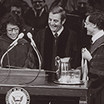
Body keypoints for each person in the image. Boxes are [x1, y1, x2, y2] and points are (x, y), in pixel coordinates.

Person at [35, 5, 80, 82]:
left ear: (63, 21)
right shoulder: (41, 35)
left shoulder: (72, 36)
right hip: (43, 81)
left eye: (55, 21)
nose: (51, 23)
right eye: (50, 20)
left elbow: (76, 60)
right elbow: (34, 59)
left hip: (65, 81)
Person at [82, 11, 104, 104]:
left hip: (101, 92)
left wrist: (89, 58)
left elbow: (99, 73)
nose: (85, 26)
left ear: (94, 25)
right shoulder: (96, 41)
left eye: (87, 24)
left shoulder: (102, 44)